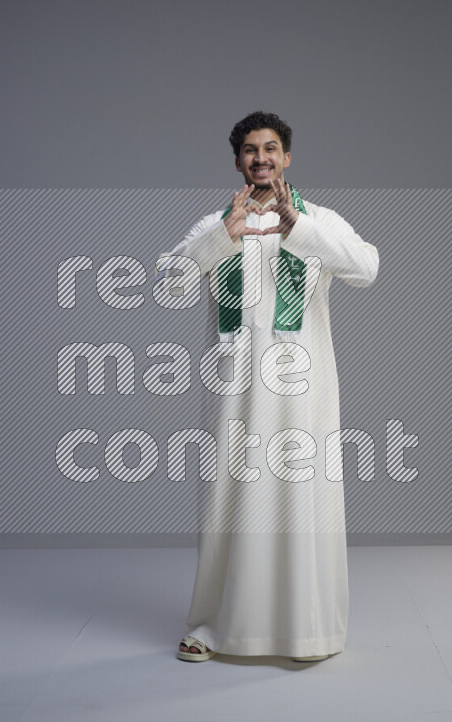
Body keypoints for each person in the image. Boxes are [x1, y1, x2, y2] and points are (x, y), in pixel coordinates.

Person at [155, 111, 379, 662]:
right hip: (232, 388)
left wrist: (296, 226)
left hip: (302, 390)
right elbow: (168, 286)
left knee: (301, 501)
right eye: (251, 150)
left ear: (287, 157)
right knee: (227, 502)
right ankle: (212, 626)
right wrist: (220, 239)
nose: (261, 158)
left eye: (271, 148)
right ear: (237, 161)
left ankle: (307, 631)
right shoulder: (217, 221)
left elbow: (366, 268)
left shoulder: (316, 219)